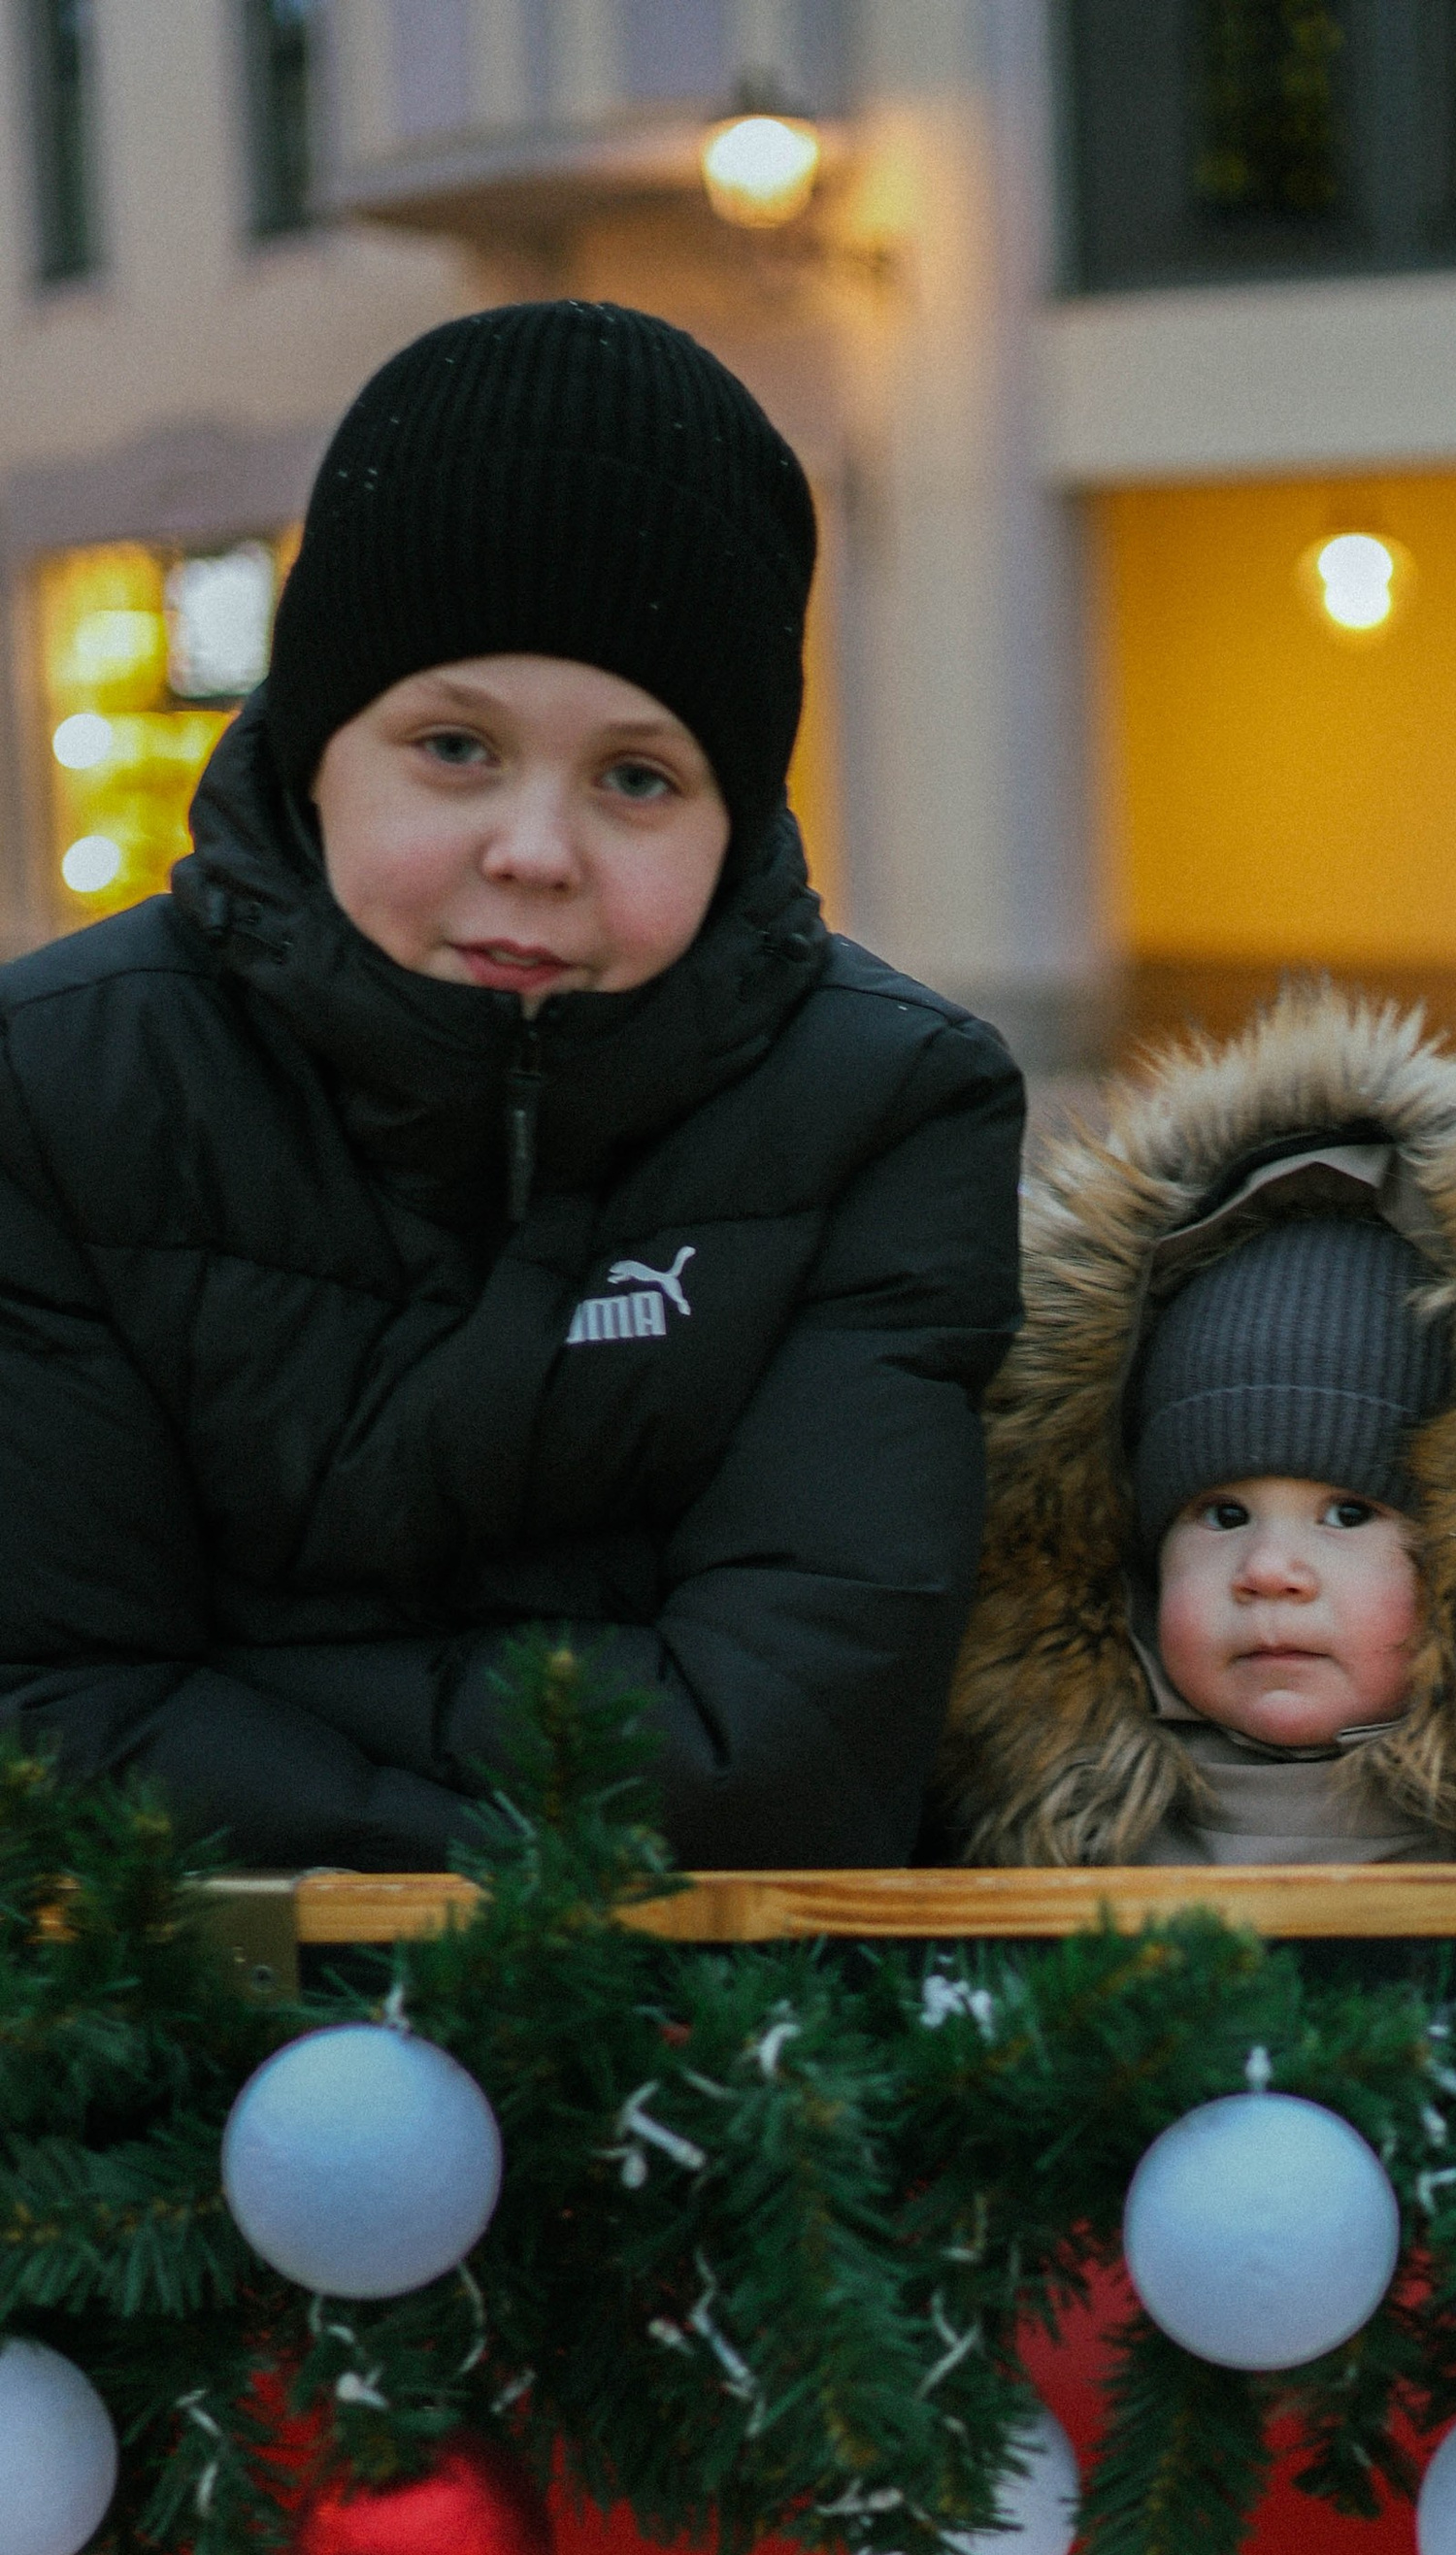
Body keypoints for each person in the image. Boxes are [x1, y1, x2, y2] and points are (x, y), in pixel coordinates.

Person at [0, 301, 1021, 1871]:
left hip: (719, 2063)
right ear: (320, 744)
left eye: (635, 776)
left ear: (732, 813)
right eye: (456, 746)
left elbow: (789, 1761)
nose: (535, 850)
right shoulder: (57, 1083)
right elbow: (47, 1716)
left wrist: (242, 1687)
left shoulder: (889, 1107)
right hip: (173, 2046)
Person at [935, 983, 1456, 1866]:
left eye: (1348, 1513)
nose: (1269, 1573)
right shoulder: (1052, 1821)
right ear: (1125, 1559)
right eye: (1222, 1515)